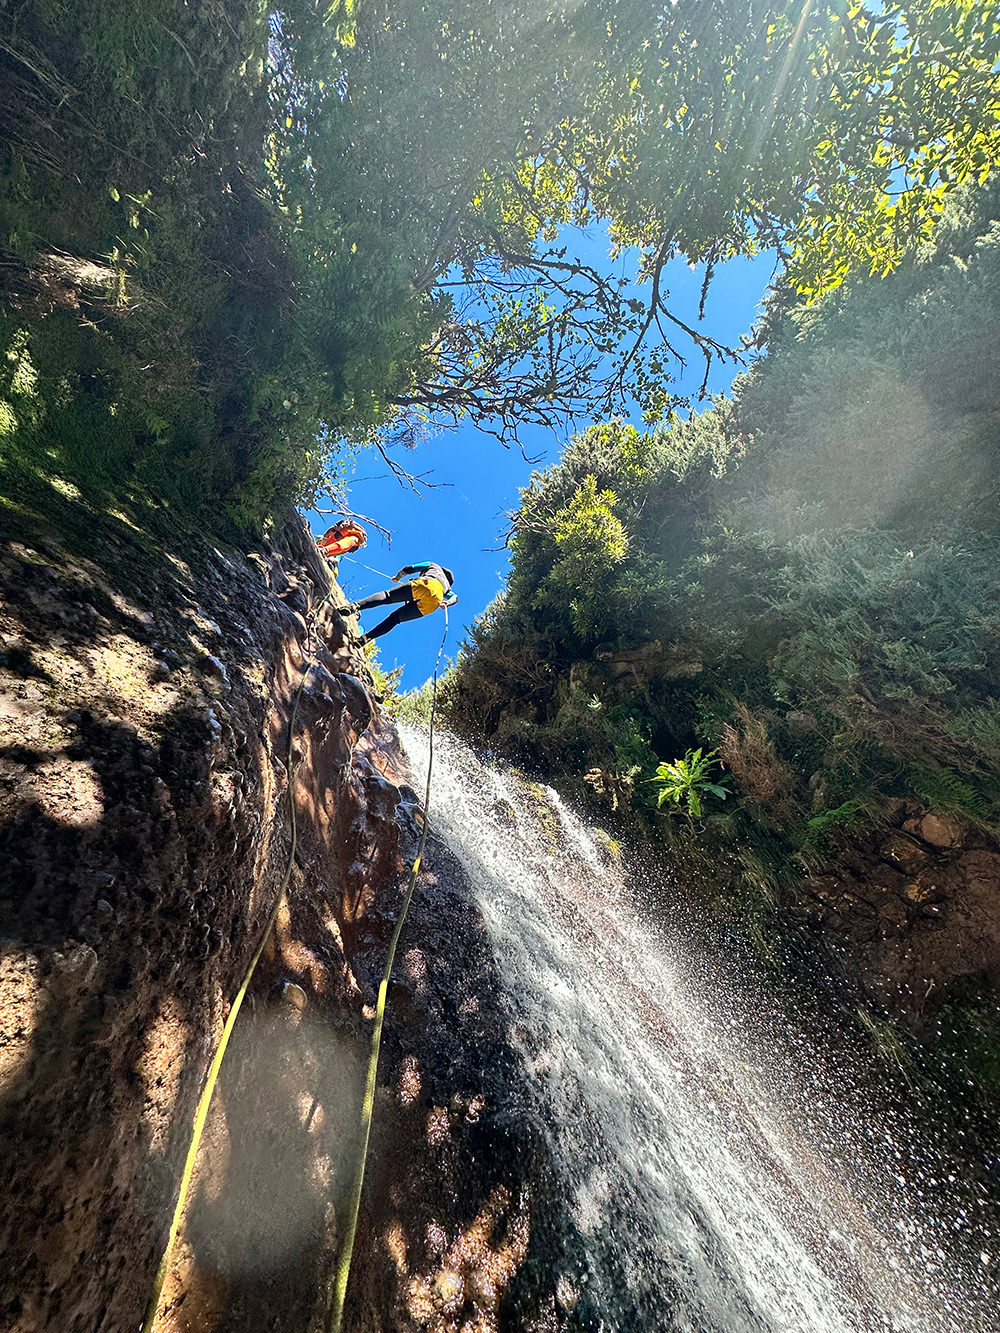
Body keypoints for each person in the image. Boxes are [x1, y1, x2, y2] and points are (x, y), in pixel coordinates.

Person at [345, 561, 457, 644]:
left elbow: (409, 568)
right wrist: (447, 603)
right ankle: (365, 639)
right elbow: (455, 597)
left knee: (387, 596)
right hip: (434, 603)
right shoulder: (447, 588)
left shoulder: (433, 566)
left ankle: (354, 607)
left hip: (427, 583)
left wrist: (397, 578)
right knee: (395, 619)